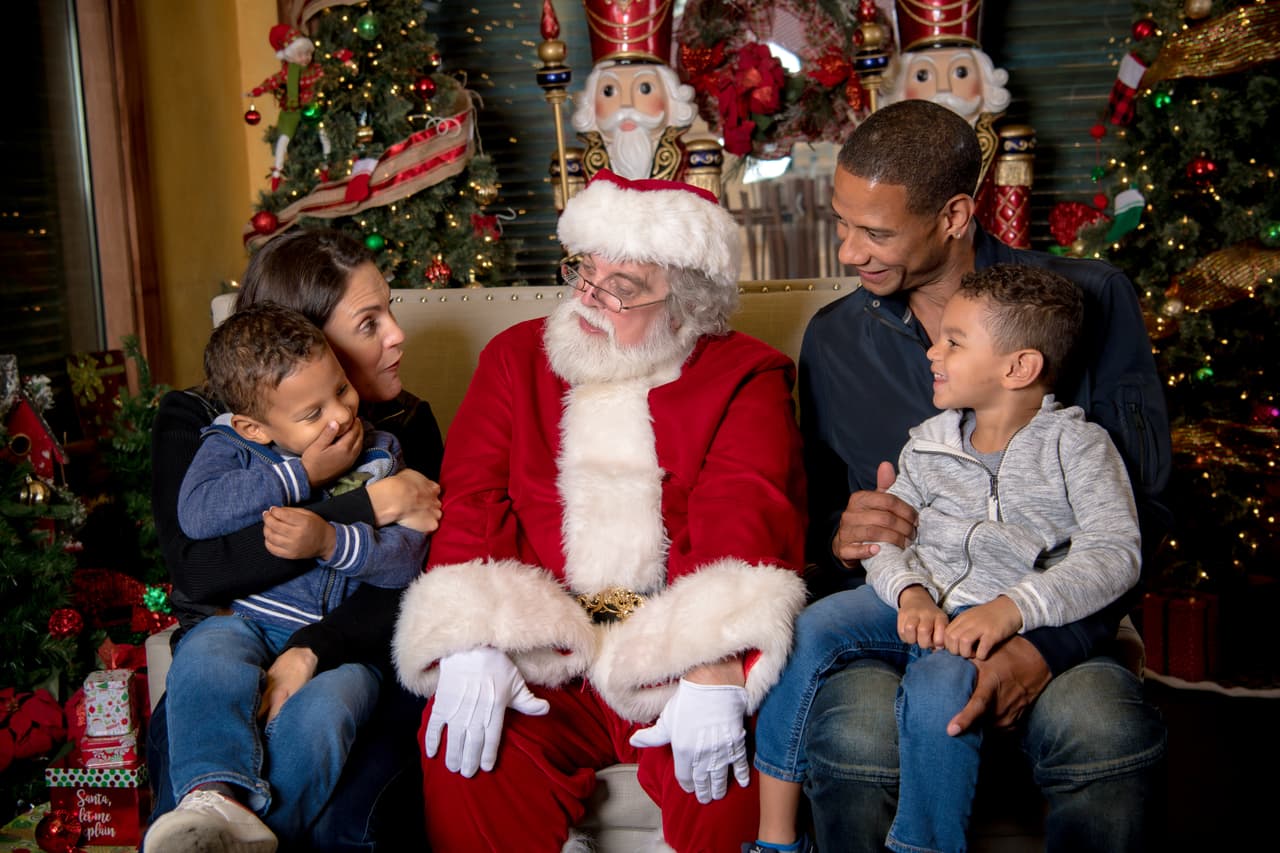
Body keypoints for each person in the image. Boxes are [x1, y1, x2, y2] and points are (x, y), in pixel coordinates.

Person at [391, 169, 808, 852]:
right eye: (585, 271)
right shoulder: (514, 357)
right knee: (466, 759)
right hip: (546, 648)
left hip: (671, 654)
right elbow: (472, 500)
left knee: (727, 781)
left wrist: (711, 663)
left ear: (688, 305)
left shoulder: (746, 375)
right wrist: (475, 635)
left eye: (623, 287)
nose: (588, 297)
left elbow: (745, 514)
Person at [798, 98, 1170, 853]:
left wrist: (1043, 649)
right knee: (855, 741)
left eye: (876, 232)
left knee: (1102, 731)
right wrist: (840, 535)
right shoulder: (833, 341)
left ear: (955, 215)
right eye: (841, 223)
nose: (848, 252)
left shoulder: (1088, 301)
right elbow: (811, 518)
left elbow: (1146, 513)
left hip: (1053, 621)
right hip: (898, 619)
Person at [751, 264, 1142, 853]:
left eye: (954, 342)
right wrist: (909, 593)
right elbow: (886, 539)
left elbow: (1115, 551)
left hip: (989, 620)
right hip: (909, 602)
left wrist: (1012, 609)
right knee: (806, 630)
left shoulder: (1077, 447)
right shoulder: (929, 444)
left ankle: (924, 844)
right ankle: (776, 838)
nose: (934, 351)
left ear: (1019, 368)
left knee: (942, 689)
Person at [145, 229, 444, 852]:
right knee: (189, 784)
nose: (397, 335)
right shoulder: (205, 424)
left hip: (356, 652)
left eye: (389, 310)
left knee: (345, 816)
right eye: (369, 323)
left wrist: (311, 649)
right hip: (234, 646)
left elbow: (421, 577)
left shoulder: (403, 429)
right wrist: (366, 504)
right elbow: (200, 570)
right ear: (307, 333)